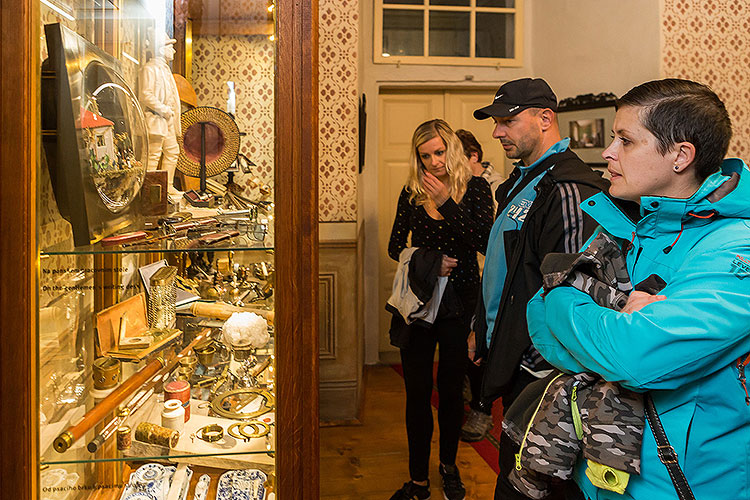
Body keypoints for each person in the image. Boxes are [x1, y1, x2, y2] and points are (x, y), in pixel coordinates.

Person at [527, 78, 750, 500]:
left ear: (681, 156)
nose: (608, 153)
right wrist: (578, 310)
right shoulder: (635, 227)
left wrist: (566, 300)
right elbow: (539, 324)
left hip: (678, 485)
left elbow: (634, 359)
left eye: (625, 141)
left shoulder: (735, 248)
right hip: (602, 473)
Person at [471, 78, 609, 500]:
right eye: (496, 122)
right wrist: (484, 328)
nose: (497, 132)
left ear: (545, 118)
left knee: (528, 484)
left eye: (508, 121)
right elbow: (506, 269)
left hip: (540, 372)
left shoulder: (566, 187)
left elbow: (567, 290)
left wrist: (533, 364)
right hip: (514, 359)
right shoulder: (523, 180)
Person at [387, 119, 494, 500]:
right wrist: (430, 260)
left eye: (438, 152)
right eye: (425, 155)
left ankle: (449, 469)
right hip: (419, 304)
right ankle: (418, 480)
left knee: (450, 393)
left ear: (452, 148)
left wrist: (447, 203)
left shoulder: (476, 188)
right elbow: (394, 246)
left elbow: (484, 241)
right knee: (416, 394)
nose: (433, 162)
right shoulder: (412, 191)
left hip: (458, 305)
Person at [454, 128, 498, 443]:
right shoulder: (457, 186)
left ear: (473, 157)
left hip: (490, 277)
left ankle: (482, 411)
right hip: (466, 277)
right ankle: (466, 391)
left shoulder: (494, 188)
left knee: (480, 347)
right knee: (463, 347)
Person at [139, 32, 182, 197]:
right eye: (170, 47)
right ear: (161, 49)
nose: (174, 51)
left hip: (168, 119)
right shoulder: (149, 69)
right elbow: (145, 94)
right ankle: (148, 191)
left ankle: (167, 186)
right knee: (152, 156)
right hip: (156, 118)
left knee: (172, 152)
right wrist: (163, 109)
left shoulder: (165, 70)